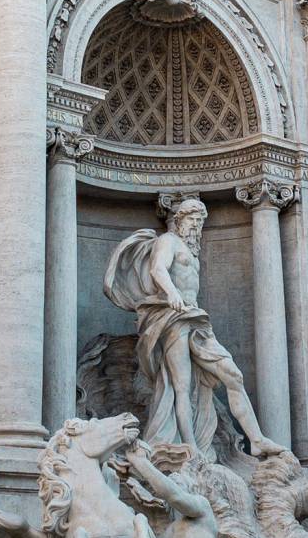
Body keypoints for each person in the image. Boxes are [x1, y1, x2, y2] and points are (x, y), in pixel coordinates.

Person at [104, 196, 281, 459]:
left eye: (200, 221)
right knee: (181, 386)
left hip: (195, 318)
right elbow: (157, 270)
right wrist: (172, 293)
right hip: (172, 317)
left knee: (233, 375)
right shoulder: (168, 241)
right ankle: (191, 448)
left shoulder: (191, 250)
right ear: (179, 220)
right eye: (193, 219)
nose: (197, 225)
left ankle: (256, 439)